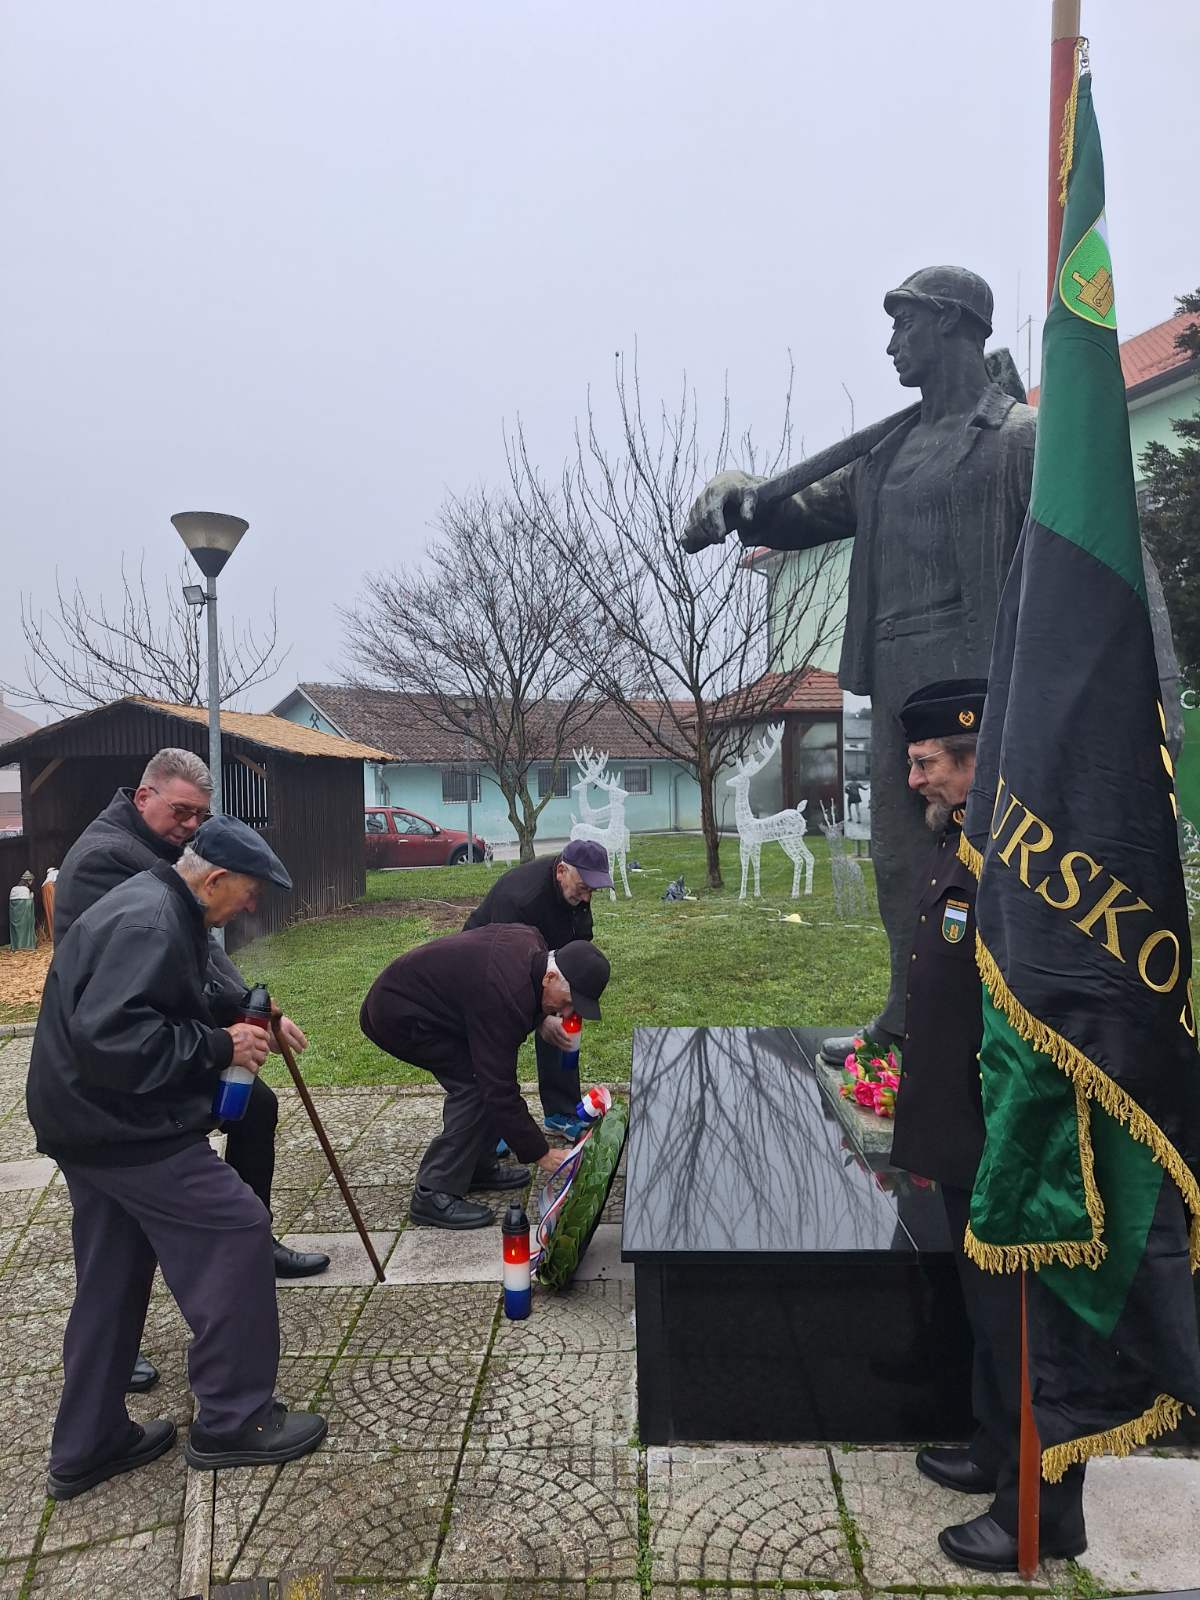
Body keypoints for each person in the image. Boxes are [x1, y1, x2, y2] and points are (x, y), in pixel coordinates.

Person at [27, 815, 328, 1500]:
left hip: (83, 1122)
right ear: (215, 878)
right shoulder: (150, 921)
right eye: (250, 892)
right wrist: (222, 1048)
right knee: (236, 1227)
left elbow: (181, 987)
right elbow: (116, 1041)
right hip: (120, 1123)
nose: (253, 906)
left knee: (113, 1275)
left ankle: (88, 1442)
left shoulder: (160, 902)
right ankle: (233, 1419)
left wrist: (259, 1015)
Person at [888, 679, 1086, 1572]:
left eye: (927, 762)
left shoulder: (1019, 863)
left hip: (1013, 1143)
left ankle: (1040, 1514)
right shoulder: (957, 848)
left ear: (973, 761)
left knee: (1025, 1329)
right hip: (966, 1135)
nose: (912, 777)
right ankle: (993, 1450)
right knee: (987, 1317)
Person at [360, 928, 610, 1229]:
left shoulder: (534, 945)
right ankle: (432, 1192)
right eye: (569, 1001)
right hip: (398, 1014)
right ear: (550, 979)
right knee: (476, 1085)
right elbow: (499, 1088)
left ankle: (476, 1166)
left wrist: (541, 1017)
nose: (567, 1011)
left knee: (482, 1079)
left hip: (428, 1004)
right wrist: (540, 1152)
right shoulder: (503, 994)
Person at [463, 839, 613, 1141]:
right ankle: (494, 1124)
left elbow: (580, 943)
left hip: (546, 959)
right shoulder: (519, 897)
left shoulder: (579, 895)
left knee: (568, 1019)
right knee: (500, 1035)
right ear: (561, 871)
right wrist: (539, 1018)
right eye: (583, 888)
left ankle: (560, 1110)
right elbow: (502, 966)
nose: (587, 898)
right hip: (488, 965)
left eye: (592, 891)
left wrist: (570, 995)